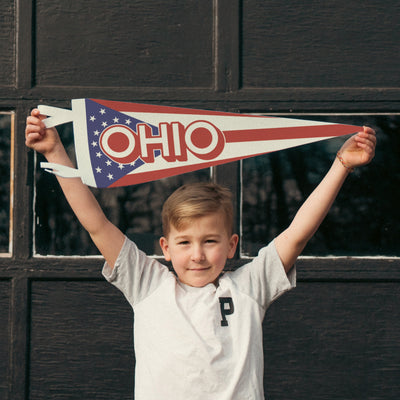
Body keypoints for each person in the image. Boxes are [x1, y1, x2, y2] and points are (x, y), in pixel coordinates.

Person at [25, 108, 376, 400]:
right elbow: (97, 225)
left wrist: (341, 165)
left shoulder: (249, 287)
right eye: (184, 243)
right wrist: (56, 153)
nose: (197, 255)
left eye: (210, 241)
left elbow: (297, 234)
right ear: (165, 248)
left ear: (232, 245)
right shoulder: (147, 283)